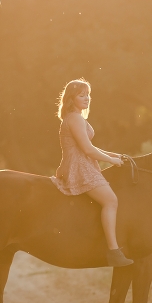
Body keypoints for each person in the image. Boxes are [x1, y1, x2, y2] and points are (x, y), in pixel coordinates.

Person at [50, 78, 133, 267]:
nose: (87, 98)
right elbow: (87, 150)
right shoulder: (75, 118)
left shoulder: (74, 117)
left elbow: (89, 147)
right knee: (111, 200)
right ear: (72, 98)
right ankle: (113, 251)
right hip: (79, 166)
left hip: (82, 162)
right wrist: (112, 161)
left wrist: (117, 154)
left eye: (88, 95)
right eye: (82, 95)